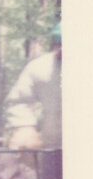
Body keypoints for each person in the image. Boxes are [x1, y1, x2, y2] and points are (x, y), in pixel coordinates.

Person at [5, 21, 62, 149]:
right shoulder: (40, 67)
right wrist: (24, 126)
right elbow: (18, 101)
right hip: (54, 145)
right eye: (61, 44)